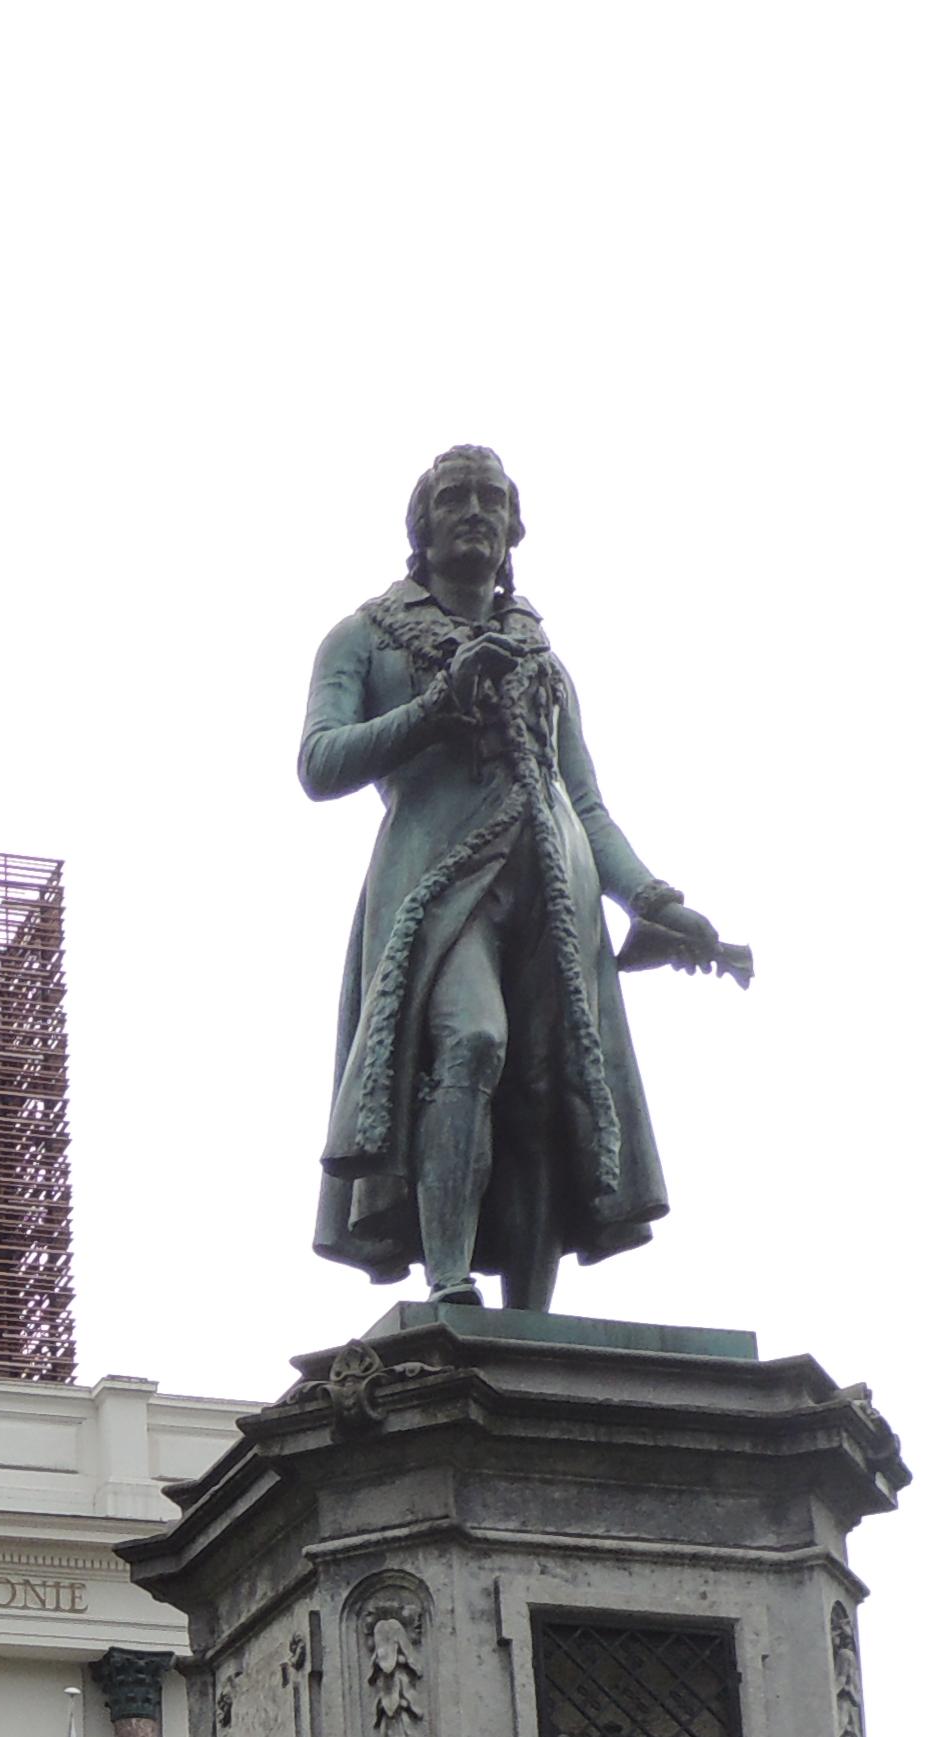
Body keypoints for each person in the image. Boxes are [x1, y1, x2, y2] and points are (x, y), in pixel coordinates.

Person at [301, 445, 727, 1315]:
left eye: (491, 499)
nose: (474, 512)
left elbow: (586, 804)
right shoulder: (365, 636)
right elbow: (318, 763)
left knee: (542, 1090)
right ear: (419, 527)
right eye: (454, 498)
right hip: (438, 886)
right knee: (472, 1044)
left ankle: (531, 1321)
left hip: (553, 889)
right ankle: (451, 1279)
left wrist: (655, 899)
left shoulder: (542, 658)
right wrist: (431, 710)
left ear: (513, 526)